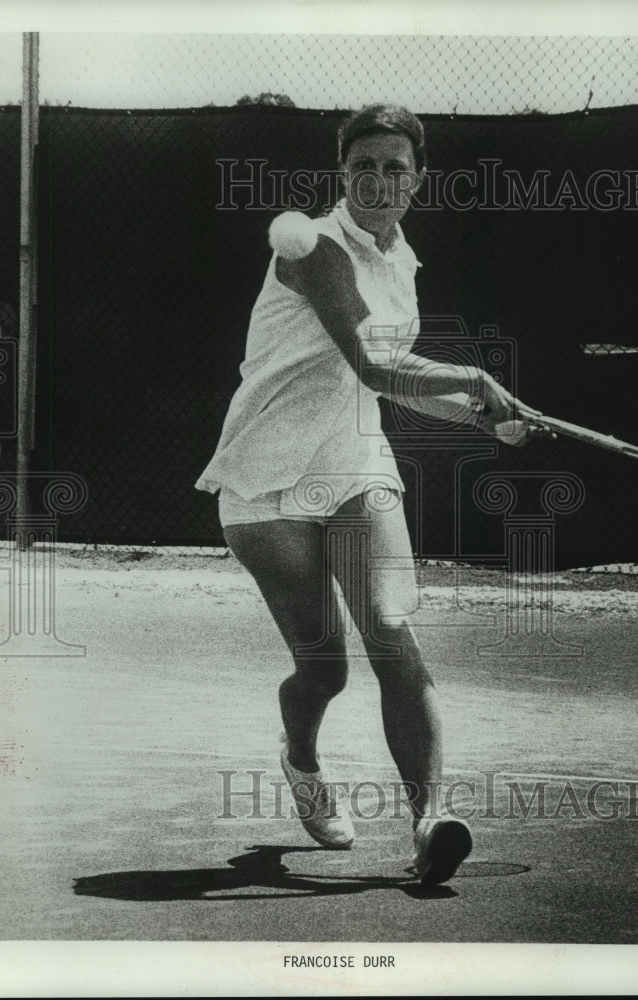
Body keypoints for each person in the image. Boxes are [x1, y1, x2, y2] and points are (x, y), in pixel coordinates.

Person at [196, 104, 542, 885]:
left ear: (416, 179)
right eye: (364, 167)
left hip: (355, 462)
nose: (380, 180)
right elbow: (377, 369)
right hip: (264, 475)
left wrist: (486, 420)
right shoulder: (313, 247)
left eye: (395, 167)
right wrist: (476, 378)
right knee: (323, 669)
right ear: (341, 176)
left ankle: (429, 823)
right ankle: (302, 762)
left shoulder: (401, 259)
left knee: (391, 631)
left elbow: (400, 388)